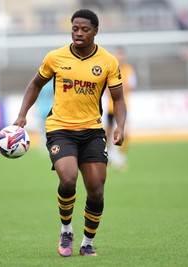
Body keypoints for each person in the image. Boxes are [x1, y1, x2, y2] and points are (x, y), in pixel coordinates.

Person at [13, 9, 126, 257]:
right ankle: (66, 229)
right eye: (75, 28)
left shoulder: (107, 61)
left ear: (95, 31)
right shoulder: (55, 57)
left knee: (96, 190)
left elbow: (118, 99)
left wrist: (120, 125)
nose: (79, 33)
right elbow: (35, 84)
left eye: (85, 29)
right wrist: (22, 114)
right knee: (67, 178)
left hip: (93, 131)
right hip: (60, 128)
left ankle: (87, 242)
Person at [105, 47, 136, 170]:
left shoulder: (129, 70)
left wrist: (117, 90)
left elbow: (131, 87)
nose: (119, 58)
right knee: (107, 133)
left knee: (126, 133)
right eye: (117, 55)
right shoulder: (110, 69)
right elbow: (107, 90)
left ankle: (121, 156)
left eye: (121, 55)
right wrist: (120, 89)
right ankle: (107, 155)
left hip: (124, 107)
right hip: (110, 108)